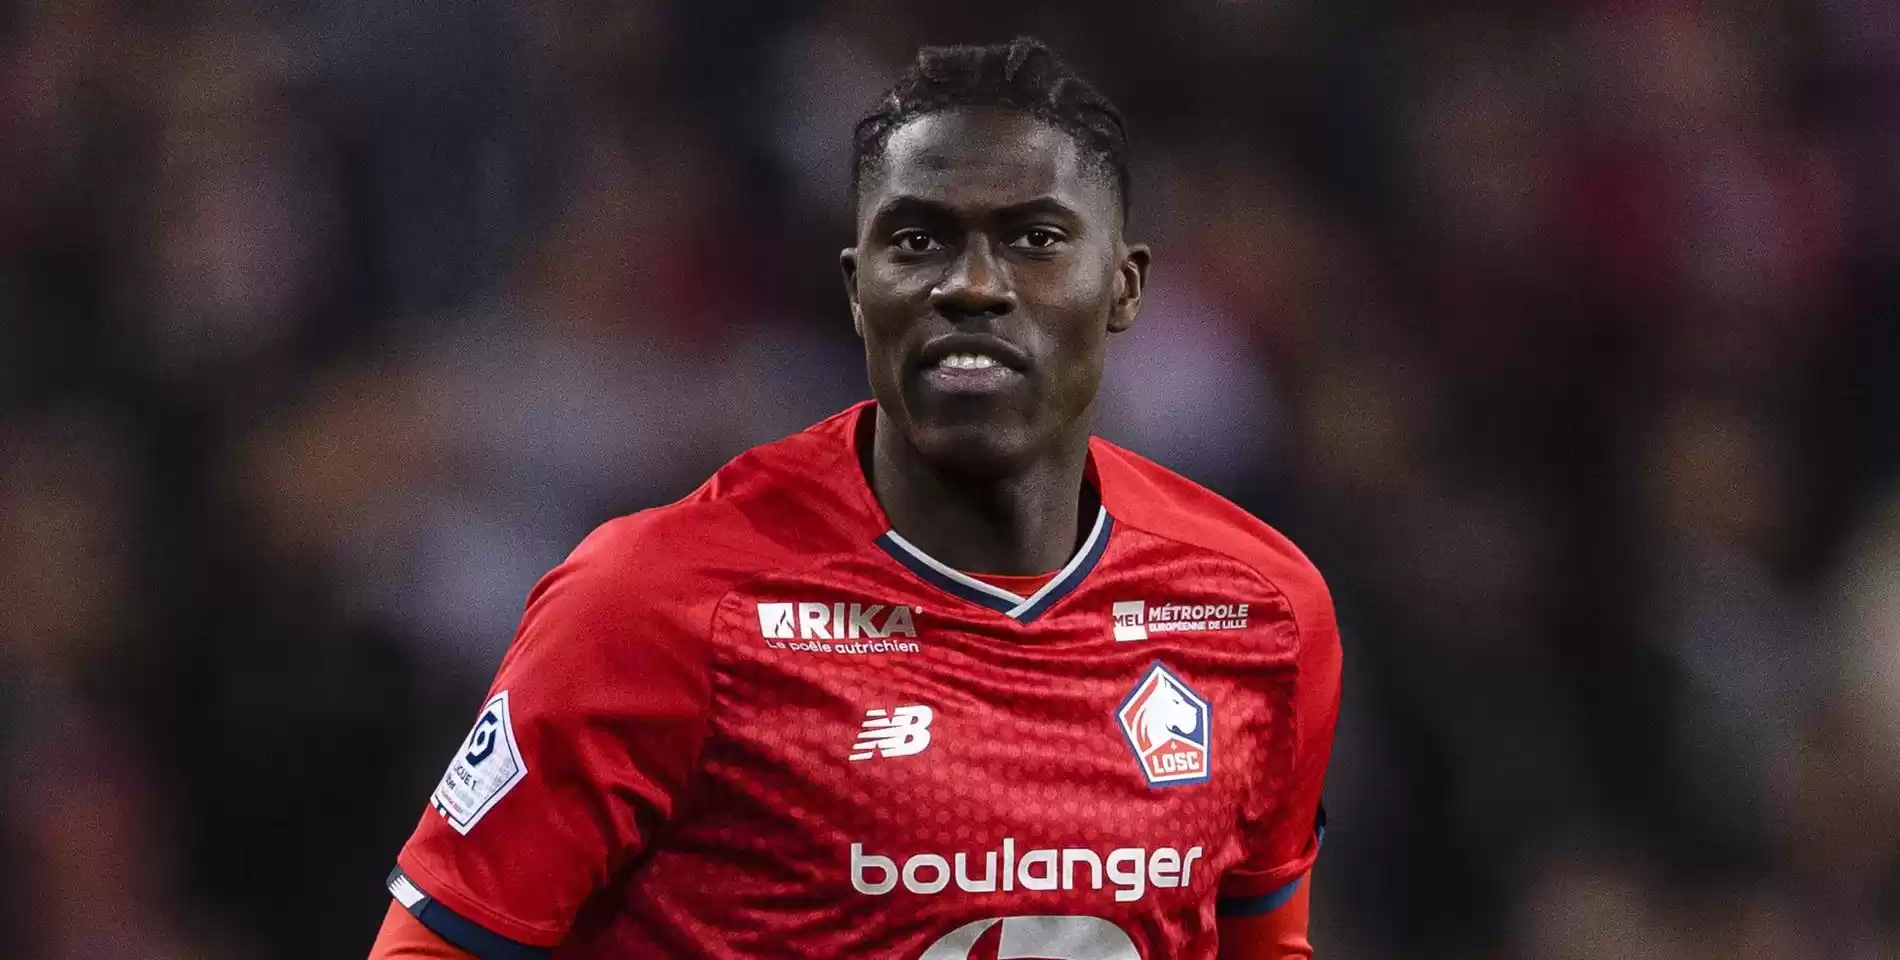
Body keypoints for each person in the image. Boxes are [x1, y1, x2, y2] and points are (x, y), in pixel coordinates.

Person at [368, 37, 1341, 960]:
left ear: (1124, 287)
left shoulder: (1255, 610)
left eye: (1035, 239)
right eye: (918, 240)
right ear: (856, 288)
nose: (972, 286)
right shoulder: (653, 605)